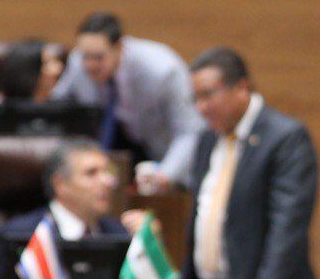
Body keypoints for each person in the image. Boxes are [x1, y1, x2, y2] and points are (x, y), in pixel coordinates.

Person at [180, 46, 320, 279]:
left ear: (241, 88)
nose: (201, 107)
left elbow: (287, 227)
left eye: (209, 95)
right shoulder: (208, 138)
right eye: (196, 98)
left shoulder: (286, 138)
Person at [50, 11, 204, 189]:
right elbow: (56, 106)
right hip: (118, 147)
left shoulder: (163, 71)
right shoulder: (78, 63)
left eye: (98, 58)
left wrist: (165, 174)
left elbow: (189, 131)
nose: (90, 65)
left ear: (119, 48)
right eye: (85, 56)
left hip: (163, 153)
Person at [0, 141, 129, 279]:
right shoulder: (20, 236)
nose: (107, 181)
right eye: (91, 173)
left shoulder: (120, 234)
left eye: (108, 172)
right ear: (60, 184)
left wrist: (147, 246)